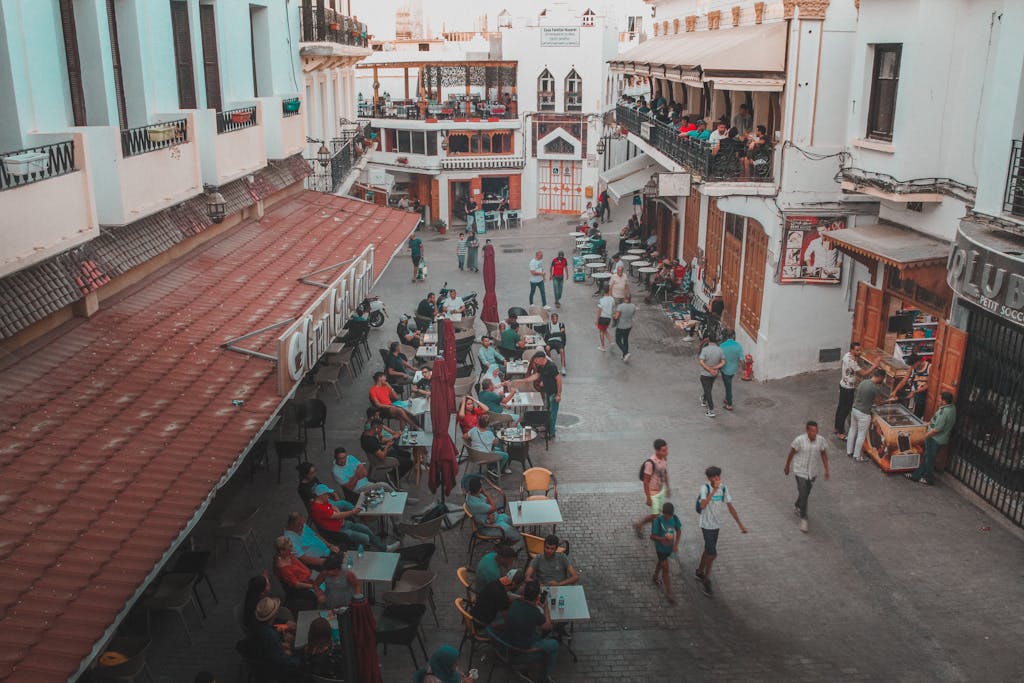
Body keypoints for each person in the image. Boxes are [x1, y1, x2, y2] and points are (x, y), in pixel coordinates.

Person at [695, 466, 747, 597]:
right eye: (714, 477)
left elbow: (730, 506)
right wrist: (714, 491)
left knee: (708, 550)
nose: (717, 479)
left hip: (716, 525)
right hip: (706, 525)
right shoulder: (705, 488)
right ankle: (706, 581)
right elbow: (702, 505)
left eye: (718, 476)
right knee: (712, 554)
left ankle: (699, 571)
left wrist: (740, 524)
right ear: (709, 478)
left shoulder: (724, 488)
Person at [503, 581, 558, 680]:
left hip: (508, 644)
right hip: (521, 652)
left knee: (536, 633)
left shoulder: (515, 603)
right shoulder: (534, 613)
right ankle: (546, 676)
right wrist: (545, 607)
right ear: (537, 597)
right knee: (554, 644)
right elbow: (548, 626)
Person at [784, 421, 831, 533]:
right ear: (807, 431)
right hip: (800, 471)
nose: (815, 433)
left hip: (812, 472)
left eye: (816, 430)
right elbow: (791, 453)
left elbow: (823, 454)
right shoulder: (799, 440)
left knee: (805, 493)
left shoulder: (821, 441)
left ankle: (798, 505)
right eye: (813, 431)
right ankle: (804, 518)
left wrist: (826, 469)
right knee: (804, 493)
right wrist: (787, 466)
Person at [243, 597, 302, 680]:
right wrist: (300, 659)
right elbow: (282, 661)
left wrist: (280, 646)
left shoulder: (256, 626)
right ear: (274, 615)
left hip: (264, 658)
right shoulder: (270, 635)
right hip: (272, 669)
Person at [906, 391, 957, 486]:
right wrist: (928, 423)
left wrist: (925, 436)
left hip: (934, 438)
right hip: (940, 438)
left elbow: (937, 429)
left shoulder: (944, 412)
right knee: (927, 457)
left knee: (928, 460)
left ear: (944, 401)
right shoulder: (952, 408)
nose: (938, 400)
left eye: (940, 399)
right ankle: (916, 476)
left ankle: (928, 478)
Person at [835, 342, 877, 440]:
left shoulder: (847, 355)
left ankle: (837, 428)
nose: (859, 352)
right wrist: (874, 365)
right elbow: (864, 373)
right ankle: (840, 432)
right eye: (857, 350)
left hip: (843, 384)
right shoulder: (851, 361)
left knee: (840, 407)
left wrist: (858, 356)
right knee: (844, 410)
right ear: (852, 350)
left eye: (860, 350)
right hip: (848, 389)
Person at [273, 536, 326, 608]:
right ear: (282, 551)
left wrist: (314, 575)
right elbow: (297, 584)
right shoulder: (283, 568)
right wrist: (314, 586)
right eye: (289, 550)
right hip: (304, 586)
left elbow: (303, 567)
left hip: (309, 577)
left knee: (328, 577)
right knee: (324, 595)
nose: (291, 551)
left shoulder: (288, 555)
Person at [465, 476, 521, 543]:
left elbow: (487, 503)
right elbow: (494, 507)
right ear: (480, 489)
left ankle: (506, 538)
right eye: (482, 485)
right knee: (513, 533)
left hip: (493, 518)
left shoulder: (473, 495)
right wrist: (487, 494)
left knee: (511, 520)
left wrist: (490, 513)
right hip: (487, 527)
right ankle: (506, 545)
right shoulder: (475, 503)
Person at [361, 409, 414, 480]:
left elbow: (380, 443)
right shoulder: (370, 441)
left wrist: (387, 442)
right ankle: (392, 477)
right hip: (380, 458)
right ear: (376, 428)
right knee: (409, 462)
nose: (380, 432)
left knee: (407, 454)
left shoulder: (367, 434)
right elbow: (382, 457)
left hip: (379, 452)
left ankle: (394, 472)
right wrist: (387, 446)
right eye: (380, 429)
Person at [847, 369, 887, 462]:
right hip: (864, 414)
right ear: (880, 377)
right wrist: (888, 401)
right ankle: (857, 456)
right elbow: (878, 402)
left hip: (854, 409)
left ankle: (849, 451)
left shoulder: (863, 382)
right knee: (861, 435)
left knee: (852, 429)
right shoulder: (874, 388)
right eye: (883, 378)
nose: (883, 380)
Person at [633, 439, 670, 537]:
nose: (666, 452)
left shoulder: (663, 458)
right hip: (653, 493)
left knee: (659, 511)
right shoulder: (650, 463)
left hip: (661, 490)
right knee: (655, 514)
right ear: (657, 451)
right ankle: (639, 524)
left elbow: (665, 472)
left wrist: (668, 487)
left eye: (666, 449)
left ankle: (655, 531)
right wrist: (648, 497)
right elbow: (645, 482)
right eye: (663, 450)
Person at [331, 446, 395, 497]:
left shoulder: (350, 458)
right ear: (336, 458)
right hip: (358, 490)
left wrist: (352, 479)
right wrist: (357, 473)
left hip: (367, 483)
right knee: (384, 485)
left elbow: (365, 473)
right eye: (340, 458)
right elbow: (350, 487)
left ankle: (394, 499)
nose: (343, 460)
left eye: (344, 457)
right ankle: (396, 497)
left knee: (383, 491)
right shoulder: (336, 471)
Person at [650, 502, 682, 604]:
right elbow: (652, 536)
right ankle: (669, 593)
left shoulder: (675, 518)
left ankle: (655, 576)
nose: (668, 517)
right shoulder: (658, 521)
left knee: (661, 563)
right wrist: (663, 538)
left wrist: (676, 545)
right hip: (660, 549)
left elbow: (679, 530)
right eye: (667, 515)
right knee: (666, 568)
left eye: (670, 515)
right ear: (663, 513)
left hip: (670, 548)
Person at [524, 353, 562, 437]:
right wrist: (525, 380)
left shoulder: (551, 366)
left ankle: (551, 433)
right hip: (547, 392)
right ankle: (547, 428)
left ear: (541, 358)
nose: (536, 363)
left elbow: (559, 379)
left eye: (536, 360)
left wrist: (558, 394)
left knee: (552, 413)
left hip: (553, 393)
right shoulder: (541, 366)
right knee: (548, 411)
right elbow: (537, 375)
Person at [892, 353, 931, 418]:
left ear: (918, 362)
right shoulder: (912, 368)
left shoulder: (929, 367)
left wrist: (914, 392)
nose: (912, 367)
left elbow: (928, 385)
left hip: (924, 396)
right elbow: (903, 381)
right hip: (916, 393)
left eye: (913, 365)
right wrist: (895, 391)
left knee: (918, 414)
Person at [699, 338, 726, 418]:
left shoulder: (705, 349)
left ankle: (711, 409)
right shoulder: (720, 350)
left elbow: (701, 362)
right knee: (709, 388)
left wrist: (709, 369)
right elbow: (723, 362)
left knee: (708, 390)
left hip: (705, 374)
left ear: (709, 341)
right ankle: (704, 398)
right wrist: (715, 368)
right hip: (714, 374)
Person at [719, 328, 743, 411]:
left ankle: (729, 404)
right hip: (733, 370)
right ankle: (727, 398)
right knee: (728, 384)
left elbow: (719, 358)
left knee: (728, 386)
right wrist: (743, 369)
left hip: (724, 369)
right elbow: (741, 359)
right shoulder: (738, 346)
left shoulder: (722, 346)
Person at [613, 295, 637, 362]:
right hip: (629, 326)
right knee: (625, 339)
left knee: (618, 340)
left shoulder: (621, 306)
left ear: (625, 298)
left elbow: (616, 317)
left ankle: (626, 353)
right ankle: (624, 356)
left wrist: (614, 315)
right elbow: (633, 315)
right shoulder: (633, 306)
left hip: (621, 326)